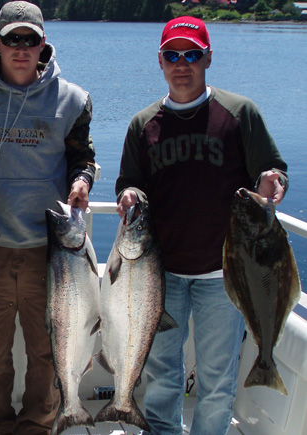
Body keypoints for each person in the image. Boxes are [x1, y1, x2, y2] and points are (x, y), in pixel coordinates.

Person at [115, 16, 288, 435]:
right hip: (160, 274)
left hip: (226, 275)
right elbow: (129, 181)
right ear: (160, 61)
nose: (182, 64)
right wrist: (127, 195)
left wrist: (273, 181)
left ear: (208, 57)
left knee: (216, 382)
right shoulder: (143, 123)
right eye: (173, 55)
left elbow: (272, 168)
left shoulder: (239, 113)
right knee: (161, 377)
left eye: (192, 54)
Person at [0, 2, 96, 434]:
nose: (22, 48)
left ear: (43, 44)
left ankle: (37, 425)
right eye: (13, 39)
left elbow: (83, 157)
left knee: (46, 351)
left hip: (50, 253)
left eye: (30, 40)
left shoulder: (73, 99)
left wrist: (83, 180)